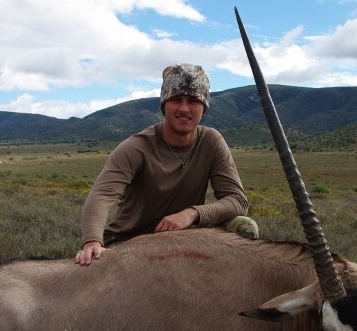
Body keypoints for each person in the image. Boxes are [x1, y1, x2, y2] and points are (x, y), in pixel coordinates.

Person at [75, 63, 258, 266]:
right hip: (131, 241)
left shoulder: (211, 141)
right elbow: (102, 195)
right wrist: (92, 241)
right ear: (164, 105)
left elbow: (238, 201)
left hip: (183, 237)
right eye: (176, 100)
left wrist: (192, 213)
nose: (184, 109)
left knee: (244, 227)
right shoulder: (136, 147)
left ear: (203, 107)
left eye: (193, 100)